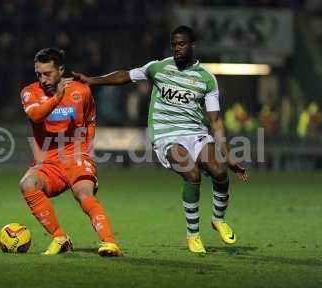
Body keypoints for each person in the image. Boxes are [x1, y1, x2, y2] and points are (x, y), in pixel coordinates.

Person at [73, 26, 248, 254]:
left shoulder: (206, 79)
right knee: (192, 173)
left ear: (192, 45)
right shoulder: (158, 68)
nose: (176, 48)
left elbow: (215, 120)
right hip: (166, 135)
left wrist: (227, 154)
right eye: (174, 44)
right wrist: (91, 81)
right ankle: (193, 235)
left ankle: (218, 220)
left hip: (196, 133)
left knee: (220, 172)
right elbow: (125, 75)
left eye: (181, 44)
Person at [19, 48, 122, 256]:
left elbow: (91, 120)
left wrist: (86, 151)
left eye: (47, 73)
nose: (42, 79)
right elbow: (36, 116)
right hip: (47, 163)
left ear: (61, 70)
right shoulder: (30, 92)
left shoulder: (81, 91)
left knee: (84, 194)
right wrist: (57, 97)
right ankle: (60, 238)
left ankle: (110, 243)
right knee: (27, 184)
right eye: (38, 74)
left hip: (75, 157)